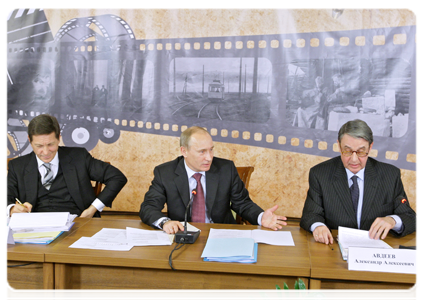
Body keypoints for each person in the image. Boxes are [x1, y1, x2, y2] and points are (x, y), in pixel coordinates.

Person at [140, 126, 287, 234]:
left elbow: (242, 203)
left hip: (221, 234)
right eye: (202, 152)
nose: (209, 157)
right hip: (183, 235)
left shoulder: (226, 169)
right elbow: (148, 207)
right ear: (184, 151)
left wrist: (261, 217)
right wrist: (165, 222)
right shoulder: (165, 173)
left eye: (211, 149)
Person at [300, 119, 418, 244]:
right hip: (333, 248)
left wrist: (392, 220)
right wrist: (318, 227)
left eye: (361, 151)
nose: (354, 159)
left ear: (370, 147)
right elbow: (310, 215)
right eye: (347, 151)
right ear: (339, 146)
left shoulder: (390, 175)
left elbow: (410, 218)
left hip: (374, 251)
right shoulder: (320, 174)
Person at [5, 114, 127, 217]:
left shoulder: (79, 157)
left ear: (59, 138)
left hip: (77, 223)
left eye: (51, 144)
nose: (46, 152)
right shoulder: (18, 166)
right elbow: (5, 195)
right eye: (39, 146)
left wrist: (93, 209)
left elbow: (117, 177)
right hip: (35, 228)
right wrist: (11, 209)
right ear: (29, 140)